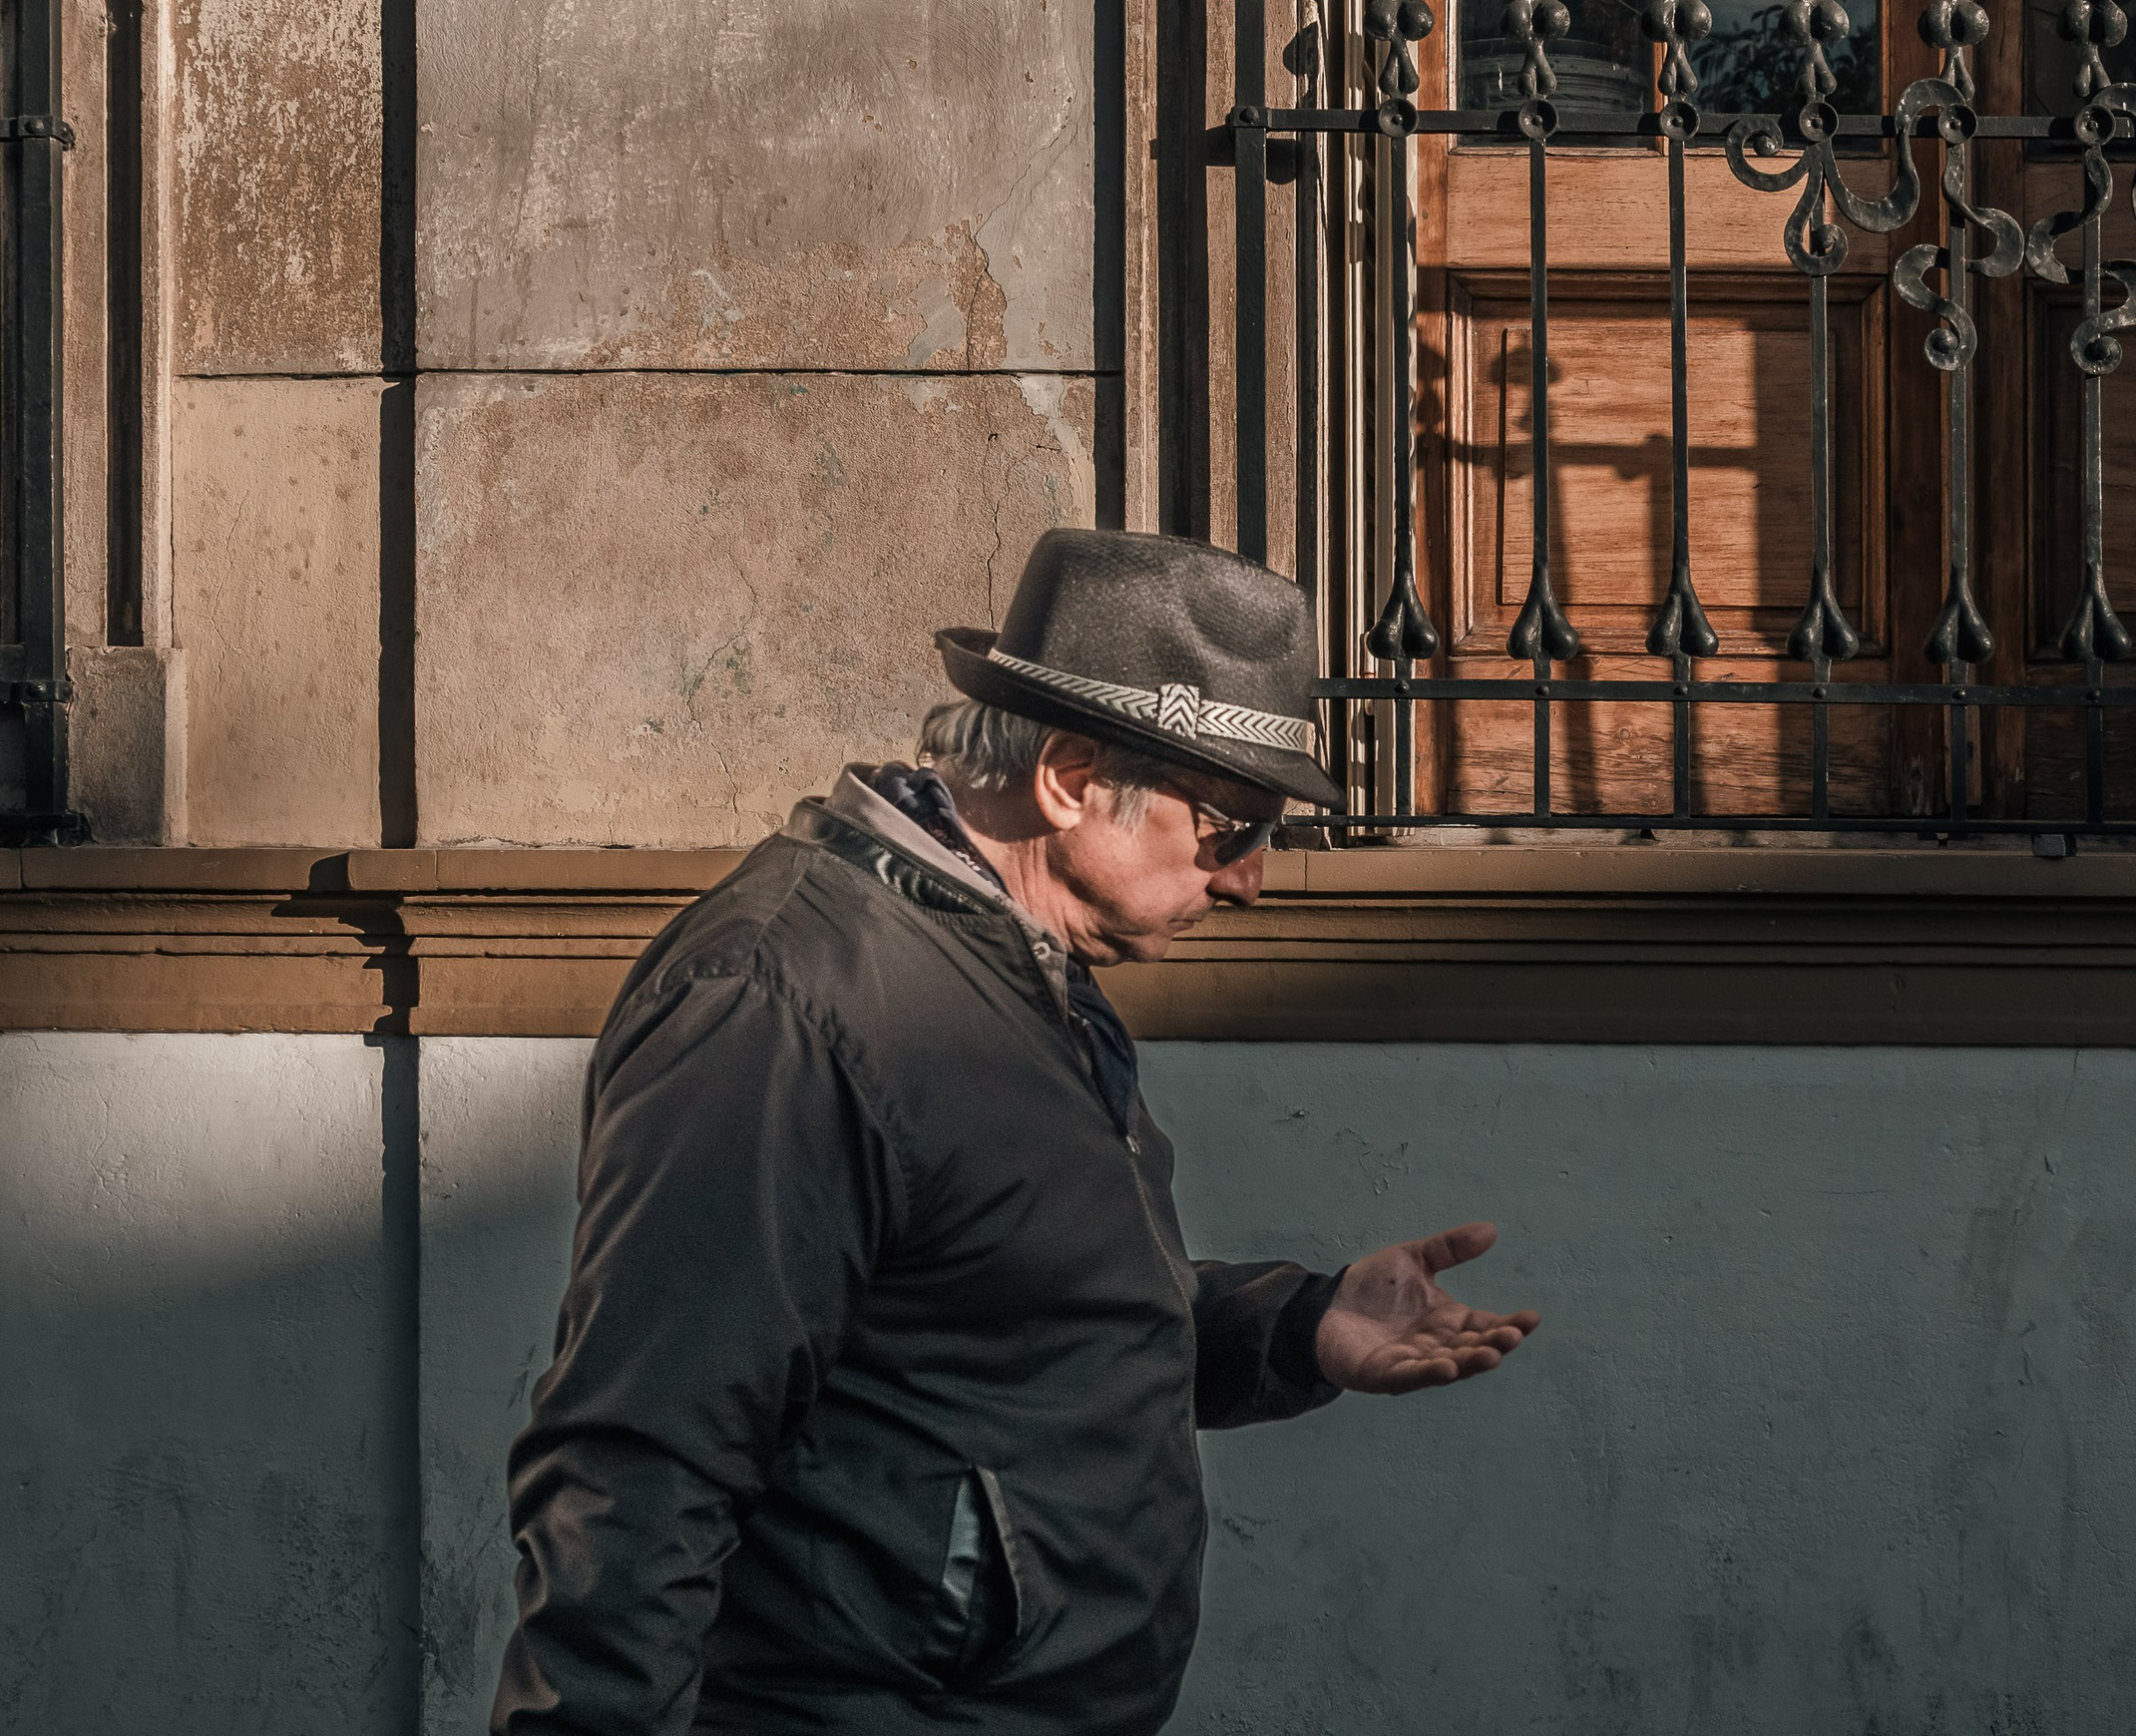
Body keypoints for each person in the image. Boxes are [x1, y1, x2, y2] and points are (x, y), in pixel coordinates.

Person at [492, 529, 1539, 1736]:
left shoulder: (1018, 963)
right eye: (1234, 826)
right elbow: (642, 1455)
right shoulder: (782, 1004)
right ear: (1071, 777)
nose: (1250, 879)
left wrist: (1299, 1325)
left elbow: (1008, 1314)